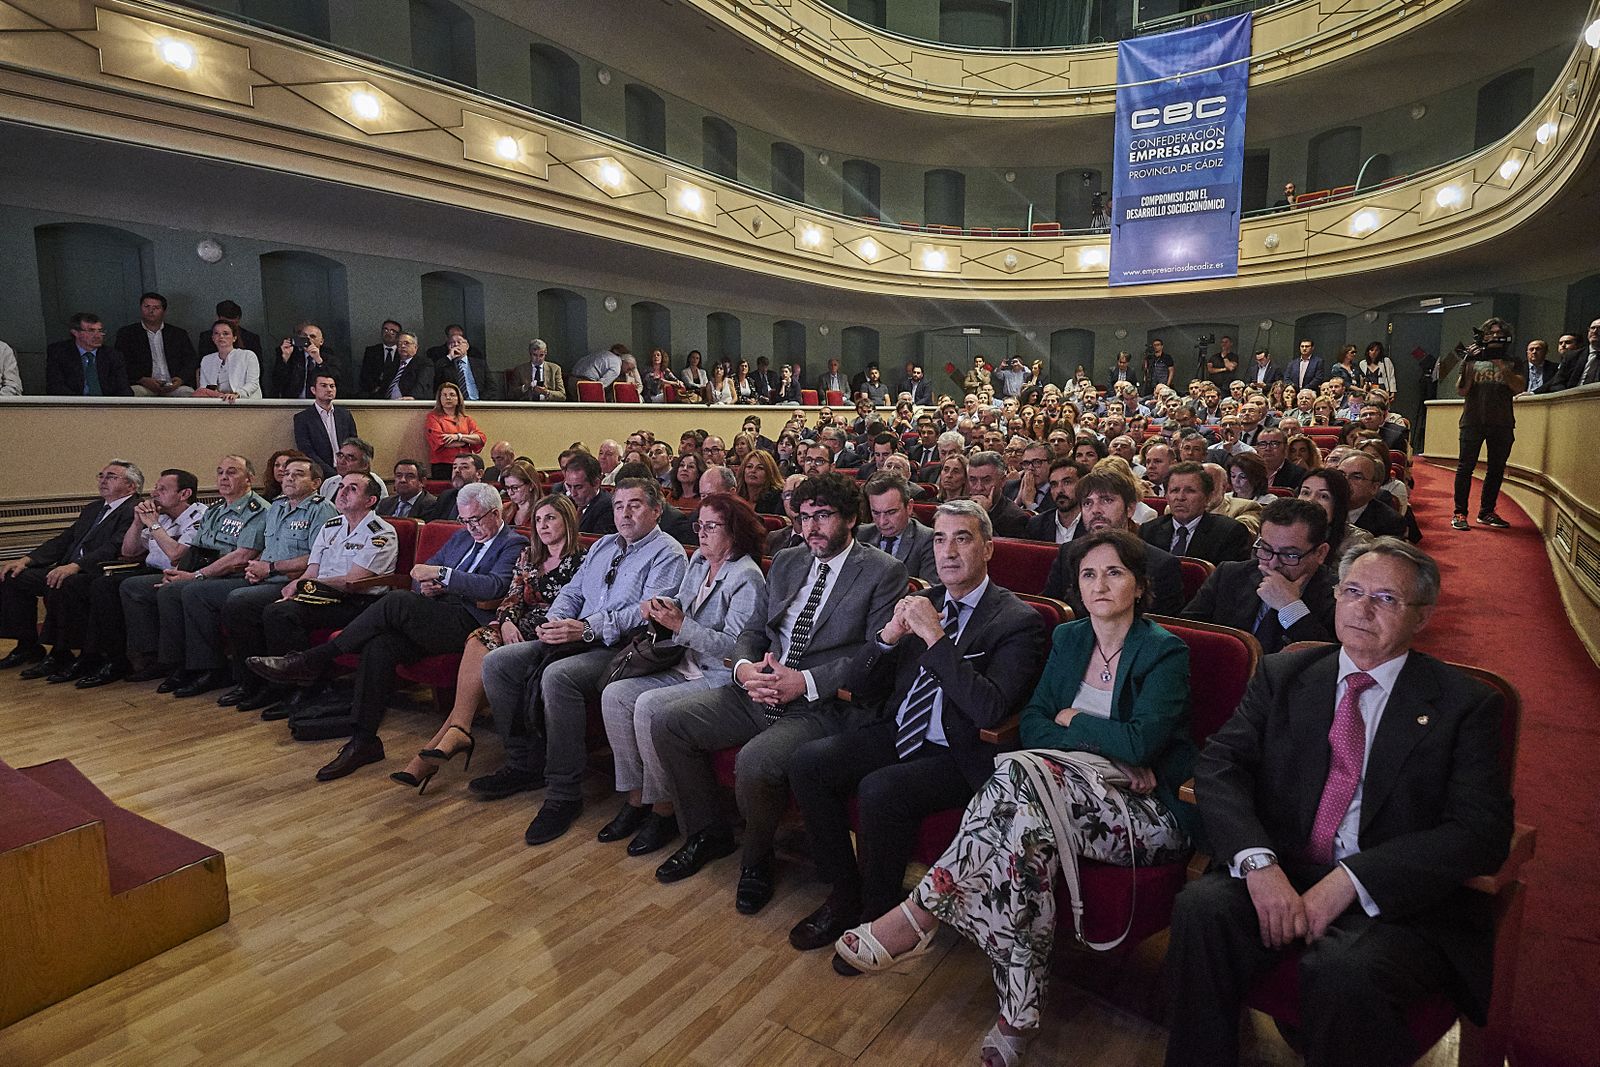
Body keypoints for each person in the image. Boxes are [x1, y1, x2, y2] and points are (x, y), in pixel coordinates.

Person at [839, 530, 1196, 1066]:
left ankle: (920, 915)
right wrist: (1102, 741)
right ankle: (1017, 1016)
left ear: (1140, 586)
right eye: (1089, 574)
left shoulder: (1165, 651)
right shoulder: (1070, 639)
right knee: (1025, 834)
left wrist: (1073, 720)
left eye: (1114, 573)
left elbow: (1142, 744)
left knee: (1014, 780)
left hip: (1145, 813)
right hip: (1055, 790)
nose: (1099, 584)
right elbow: (1032, 725)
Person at [1165, 539, 1513, 1067]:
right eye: (1352, 591)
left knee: (1343, 970)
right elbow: (1219, 764)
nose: (1362, 609)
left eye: (1386, 598)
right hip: (1287, 865)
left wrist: (1351, 881)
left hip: (1394, 899)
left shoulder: (1465, 704)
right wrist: (1258, 864)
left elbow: (1480, 830)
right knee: (1201, 908)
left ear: (1422, 616)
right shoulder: (1286, 674)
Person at [788, 500, 1048, 965]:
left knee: (880, 788)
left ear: (988, 548)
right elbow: (859, 687)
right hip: (901, 730)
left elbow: (988, 708)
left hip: (959, 753)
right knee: (809, 763)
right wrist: (887, 638)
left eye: (962, 539)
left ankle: (879, 917)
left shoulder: (1016, 620)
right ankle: (844, 891)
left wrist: (935, 638)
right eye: (940, 539)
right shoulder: (923, 600)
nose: (948, 551)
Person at [650, 474, 906, 913]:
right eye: (804, 517)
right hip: (761, 685)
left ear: (850, 518)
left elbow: (872, 655)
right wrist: (745, 668)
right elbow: (754, 630)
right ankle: (707, 832)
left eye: (822, 516)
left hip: (820, 703)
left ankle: (757, 860)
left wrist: (802, 681)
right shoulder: (788, 560)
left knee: (755, 761)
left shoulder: (882, 571)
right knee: (669, 721)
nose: (811, 528)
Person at [246, 482, 525, 781]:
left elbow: (495, 586)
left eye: (476, 519)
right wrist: (427, 585)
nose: (470, 527)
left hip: (472, 624)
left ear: (496, 514)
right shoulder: (461, 537)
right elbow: (420, 572)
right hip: (436, 614)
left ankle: (312, 659)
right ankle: (363, 740)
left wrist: (443, 576)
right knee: (380, 645)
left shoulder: (513, 543)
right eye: (464, 520)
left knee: (396, 601)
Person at [472, 479, 688, 843]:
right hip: (574, 637)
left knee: (559, 677)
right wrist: (555, 621)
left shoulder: (668, 553)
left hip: (622, 650)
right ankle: (524, 762)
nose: (624, 514)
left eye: (635, 505)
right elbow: (573, 591)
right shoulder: (604, 544)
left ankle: (564, 793)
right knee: (499, 663)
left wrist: (587, 628)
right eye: (618, 506)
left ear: (656, 510)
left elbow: (648, 613)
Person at [597, 492, 768, 855]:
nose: (702, 534)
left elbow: (736, 648)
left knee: (648, 706)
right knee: (615, 695)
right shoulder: (699, 561)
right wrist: (662, 606)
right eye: (699, 525)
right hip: (682, 662)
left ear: (734, 531)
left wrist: (680, 625)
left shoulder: (747, 578)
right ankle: (635, 798)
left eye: (711, 527)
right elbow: (683, 604)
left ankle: (663, 808)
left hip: (716, 676)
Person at [389, 494, 583, 791]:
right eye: (538, 519)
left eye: (550, 518)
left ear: (567, 521)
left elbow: (576, 606)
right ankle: (456, 733)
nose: (542, 525)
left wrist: (524, 626)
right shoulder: (529, 555)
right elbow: (512, 597)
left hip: (550, 633)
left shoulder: (582, 560)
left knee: (486, 659)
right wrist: (505, 621)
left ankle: (437, 749)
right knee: (480, 638)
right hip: (514, 626)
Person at [222, 471, 396, 711]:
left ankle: (303, 689)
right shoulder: (332, 526)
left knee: (281, 613)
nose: (342, 492)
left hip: (359, 602)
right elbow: (312, 569)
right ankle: (260, 683)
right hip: (323, 593)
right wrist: (295, 586)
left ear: (370, 500)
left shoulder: (380, 532)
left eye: (352, 489)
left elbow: (353, 580)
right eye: (342, 486)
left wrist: (304, 587)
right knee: (251, 607)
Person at [171, 455, 337, 700]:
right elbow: (267, 547)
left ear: (315, 483)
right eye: (287, 474)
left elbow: (317, 557)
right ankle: (244, 678)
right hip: (266, 577)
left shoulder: (321, 510)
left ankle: (259, 682)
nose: (289, 478)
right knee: (206, 594)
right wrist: (256, 567)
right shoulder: (278, 506)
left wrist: (270, 568)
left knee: (239, 602)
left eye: (299, 474)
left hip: (295, 582)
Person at [119, 455, 268, 686]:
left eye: (232, 472)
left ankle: (208, 668)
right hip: (207, 573)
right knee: (151, 587)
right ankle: (172, 663)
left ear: (249, 478)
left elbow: (240, 557)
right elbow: (195, 551)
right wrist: (178, 574)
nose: (224, 478)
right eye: (220, 472)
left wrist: (195, 576)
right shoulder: (215, 511)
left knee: (188, 591)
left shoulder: (258, 510)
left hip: (236, 576)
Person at [0, 461, 141, 676]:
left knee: (64, 583)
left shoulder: (134, 509)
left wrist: (76, 566)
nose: (103, 481)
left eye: (111, 477)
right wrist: (27, 560)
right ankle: (27, 645)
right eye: (101, 475)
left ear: (131, 486)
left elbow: (115, 546)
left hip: (97, 570)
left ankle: (61, 652)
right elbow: (65, 540)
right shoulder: (94, 508)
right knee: (13, 576)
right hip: (69, 567)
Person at [71, 468, 207, 689]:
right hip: (151, 569)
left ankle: (156, 659)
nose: (154, 493)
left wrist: (153, 524)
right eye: (155, 488)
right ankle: (111, 656)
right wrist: (137, 522)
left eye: (162, 489)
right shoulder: (162, 516)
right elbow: (129, 552)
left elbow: (176, 555)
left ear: (184, 494)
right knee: (102, 585)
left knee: (131, 586)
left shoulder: (199, 516)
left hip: (182, 572)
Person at [1182, 497, 1335, 653]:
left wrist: (1290, 607)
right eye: (1266, 549)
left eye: (1289, 555)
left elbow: (1331, 660)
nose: (1273, 564)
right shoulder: (1229, 575)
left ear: (1320, 553)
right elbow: (1185, 633)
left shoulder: (1339, 598)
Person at [1044, 469, 1184, 614]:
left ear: (1130, 509)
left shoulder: (1161, 565)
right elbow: (1052, 612)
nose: (1095, 510)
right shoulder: (1067, 553)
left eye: (1107, 500)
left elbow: (1160, 624)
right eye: (1087, 503)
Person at [1451, 317, 1523, 531]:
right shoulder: (1472, 360)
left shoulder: (1514, 361)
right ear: (1483, 336)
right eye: (1490, 333)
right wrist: (1468, 362)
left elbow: (1519, 387)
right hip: (1473, 420)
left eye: (1499, 333)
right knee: (1465, 468)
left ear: (1506, 337)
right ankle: (1460, 513)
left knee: (1496, 469)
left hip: (1502, 422)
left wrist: (1501, 365)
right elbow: (1462, 390)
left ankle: (1486, 512)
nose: (1495, 336)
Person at [1140, 462, 1253, 566]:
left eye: (1190, 491)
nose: (1180, 497)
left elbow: (1230, 578)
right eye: (1174, 490)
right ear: (1166, 496)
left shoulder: (1230, 532)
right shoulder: (1148, 531)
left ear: (1207, 497)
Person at [857, 473, 936, 581]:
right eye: (876, 513)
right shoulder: (860, 535)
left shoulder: (927, 539)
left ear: (909, 507)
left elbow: (930, 588)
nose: (882, 522)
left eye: (891, 512)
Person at [116, 292, 197, 397]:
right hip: (143, 384)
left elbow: (191, 360)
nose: (151, 311)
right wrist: (142, 379)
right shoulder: (127, 333)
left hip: (173, 385)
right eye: (147, 306)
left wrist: (180, 379)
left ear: (164, 311)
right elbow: (122, 362)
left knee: (188, 393)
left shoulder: (178, 334)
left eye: (156, 308)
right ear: (140, 308)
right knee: (134, 393)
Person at [46, 313, 133, 396]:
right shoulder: (59, 353)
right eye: (91, 331)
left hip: (106, 404)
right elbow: (55, 387)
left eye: (100, 331)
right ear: (75, 333)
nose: (98, 336)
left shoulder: (113, 355)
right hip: (73, 403)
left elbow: (124, 388)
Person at [292, 371, 357, 477]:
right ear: (313, 390)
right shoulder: (303, 418)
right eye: (324, 386)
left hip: (348, 472)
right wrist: (331, 474)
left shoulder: (345, 415)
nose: (329, 389)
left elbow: (354, 444)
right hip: (321, 474)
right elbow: (307, 451)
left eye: (332, 386)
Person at [424, 381, 485, 479]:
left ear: (458, 399)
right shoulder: (433, 417)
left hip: (465, 465)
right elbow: (440, 441)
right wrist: (466, 441)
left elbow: (480, 438)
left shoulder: (467, 419)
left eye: (452, 395)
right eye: (444, 395)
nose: (448, 398)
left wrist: (458, 437)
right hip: (443, 465)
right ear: (439, 399)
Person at [269, 323, 346, 399]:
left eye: (312, 336)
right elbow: (277, 382)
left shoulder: (330, 358)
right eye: (304, 336)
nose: (308, 339)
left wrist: (319, 361)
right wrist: (285, 358)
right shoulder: (293, 355)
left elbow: (336, 381)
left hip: (320, 403)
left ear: (321, 341)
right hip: (293, 403)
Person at [964, 451, 1030, 538]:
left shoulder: (1016, 518)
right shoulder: (956, 507)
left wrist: (983, 515)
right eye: (973, 480)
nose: (979, 487)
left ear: (1002, 481)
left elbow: (998, 546)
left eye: (986, 480)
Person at [1340, 453, 1406, 539]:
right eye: (1340, 474)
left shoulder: (1390, 522)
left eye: (1356, 477)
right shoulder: (1324, 507)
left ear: (1374, 488)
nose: (1344, 481)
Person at [193, 320, 262, 402]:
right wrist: (218, 396)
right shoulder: (206, 360)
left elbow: (253, 383)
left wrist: (237, 394)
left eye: (225, 333)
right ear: (213, 338)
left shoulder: (248, 355)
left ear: (234, 338)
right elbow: (204, 388)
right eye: (216, 333)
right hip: (218, 403)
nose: (221, 336)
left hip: (245, 401)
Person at [1025, 458, 1087, 543]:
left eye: (1067, 483)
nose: (1059, 490)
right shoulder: (1037, 524)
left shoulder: (1093, 524)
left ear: (1082, 485)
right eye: (1054, 485)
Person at [431, 327, 496, 401]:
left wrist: (481, 402)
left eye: (459, 342)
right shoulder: (445, 365)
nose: (456, 345)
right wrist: (449, 357)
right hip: (455, 404)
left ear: (467, 346)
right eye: (452, 343)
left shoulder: (480, 364)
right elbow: (435, 378)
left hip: (478, 402)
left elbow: (492, 387)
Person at [317, 437, 387, 503]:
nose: (342, 461)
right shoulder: (329, 482)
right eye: (340, 456)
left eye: (350, 458)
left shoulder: (374, 484)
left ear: (365, 465)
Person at [564, 451, 617, 534]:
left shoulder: (608, 507)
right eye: (569, 486)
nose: (573, 493)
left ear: (596, 483)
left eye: (579, 487)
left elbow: (599, 541)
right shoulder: (567, 503)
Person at [195, 300, 264, 359]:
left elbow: (259, 367)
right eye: (226, 323)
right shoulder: (206, 338)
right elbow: (203, 364)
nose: (230, 327)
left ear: (239, 320)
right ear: (218, 318)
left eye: (234, 323)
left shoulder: (251, 338)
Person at [356, 319, 404, 399]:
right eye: (385, 330)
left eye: (392, 331)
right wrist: (375, 389)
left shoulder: (403, 352)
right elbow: (365, 375)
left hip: (396, 394)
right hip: (373, 394)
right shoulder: (371, 351)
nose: (388, 333)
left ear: (399, 335)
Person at [765, 474, 807, 555]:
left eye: (799, 494)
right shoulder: (773, 538)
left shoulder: (820, 539)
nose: (793, 500)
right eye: (788, 495)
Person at [738, 450, 784, 515]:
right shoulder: (736, 496)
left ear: (769, 473)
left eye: (760, 468)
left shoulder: (778, 499)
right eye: (749, 466)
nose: (753, 470)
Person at [499, 460, 542, 528]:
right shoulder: (504, 509)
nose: (510, 493)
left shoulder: (544, 510)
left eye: (515, 488)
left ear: (531, 485)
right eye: (507, 488)